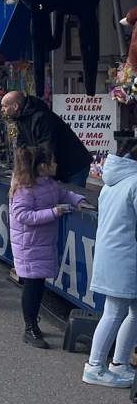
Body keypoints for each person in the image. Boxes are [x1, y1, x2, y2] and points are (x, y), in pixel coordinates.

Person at [9, 145, 94, 348]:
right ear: (42, 166)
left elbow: (64, 195)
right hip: (29, 245)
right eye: (53, 162)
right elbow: (22, 216)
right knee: (32, 285)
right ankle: (30, 327)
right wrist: (53, 213)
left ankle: (32, 321)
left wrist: (79, 200)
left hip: (41, 243)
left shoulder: (48, 184)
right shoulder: (24, 189)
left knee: (38, 284)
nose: (56, 164)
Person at [84, 139, 137, 387]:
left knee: (130, 312)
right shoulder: (134, 182)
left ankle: (120, 363)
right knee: (115, 312)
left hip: (117, 254)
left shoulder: (112, 181)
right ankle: (94, 367)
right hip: (125, 256)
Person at [1, 91, 93, 188]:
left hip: (74, 165)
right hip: (57, 166)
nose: (2, 110)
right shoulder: (21, 118)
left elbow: (47, 146)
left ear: (15, 106)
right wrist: (20, 169)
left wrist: (38, 171)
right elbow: (22, 146)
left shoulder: (41, 117)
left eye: (4, 106)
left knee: (73, 195)